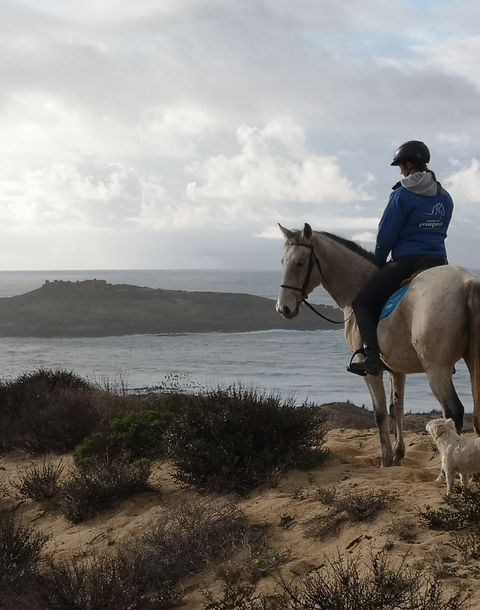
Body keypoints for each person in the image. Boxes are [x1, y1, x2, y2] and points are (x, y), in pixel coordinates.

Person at [348, 140, 453, 376]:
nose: (400, 171)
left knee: (362, 303)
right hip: (438, 262)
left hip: (407, 261)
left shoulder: (402, 195)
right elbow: (442, 230)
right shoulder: (445, 196)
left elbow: (386, 235)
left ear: (409, 164)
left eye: (401, 166)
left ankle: (372, 357)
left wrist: (378, 263)